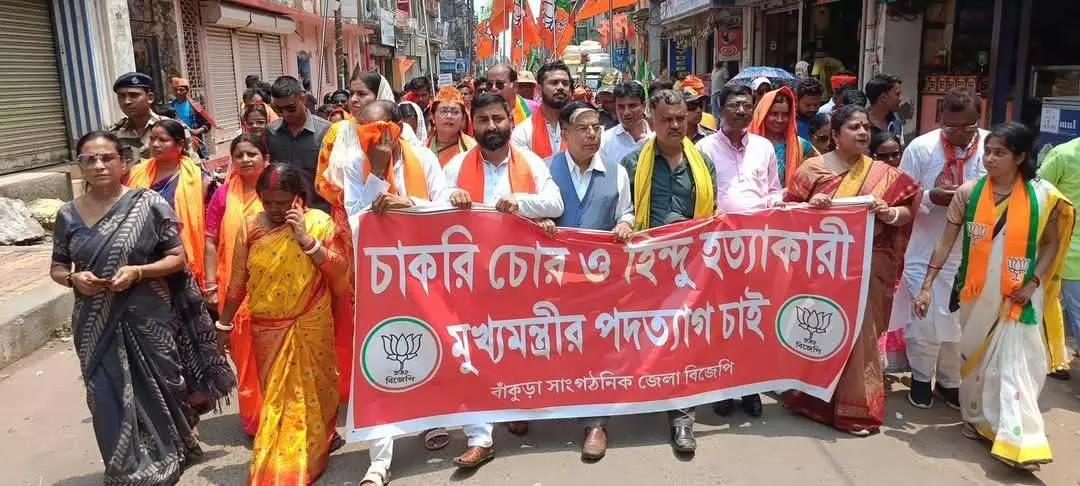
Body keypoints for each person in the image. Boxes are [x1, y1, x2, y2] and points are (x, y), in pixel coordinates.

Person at [50, 131, 233, 484]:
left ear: (123, 162)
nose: (99, 165)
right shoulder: (68, 215)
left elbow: (177, 258)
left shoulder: (148, 204)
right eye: (89, 159)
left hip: (149, 315)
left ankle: (174, 447)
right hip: (94, 321)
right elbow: (58, 267)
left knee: (163, 385)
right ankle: (125, 468)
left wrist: (139, 272)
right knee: (106, 395)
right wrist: (73, 279)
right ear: (80, 166)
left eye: (107, 158)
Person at [914, 122, 1073, 471]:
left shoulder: (1042, 195)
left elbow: (1051, 243)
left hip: (1019, 297)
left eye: (999, 152)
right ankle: (976, 420)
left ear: (1020, 157)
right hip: (975, 294)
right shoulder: (969, 193)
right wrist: (927, 285)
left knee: (1016, 366)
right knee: (976, 362)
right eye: (988, 151)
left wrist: (1033, 282)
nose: (989, 158)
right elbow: (946, 240)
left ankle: (1019, 439)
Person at [782, 105, 920, 436]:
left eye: (866, 128)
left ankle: (856, 409)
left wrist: (888, 213)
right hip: (824, 268)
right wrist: (810, 207)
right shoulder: (812, 169)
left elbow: (908, 210)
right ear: (835, 134)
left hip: (869, 267)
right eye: (854, 127)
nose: (862, 133)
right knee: (823, 327)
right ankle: (812, 399)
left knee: (862, 337)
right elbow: (787, 212)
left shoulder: (882, 174)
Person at [444, 92, 564, 467]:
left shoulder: (530, 162)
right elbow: (433, 206)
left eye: (498, 118)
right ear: (472, 124)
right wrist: (452, 197)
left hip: (518, 276)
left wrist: (520, 202)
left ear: (510, 121)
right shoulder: (455, 166)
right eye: (483, 120)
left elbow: (555, 203)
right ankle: (480, 438)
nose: (492, 126)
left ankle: (514, 405)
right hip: (471, 277)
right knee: (473, 352)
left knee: (515, 346)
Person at [340, 102, 455, 484]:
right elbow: (355, 219)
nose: (372, 136)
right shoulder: (354, 165)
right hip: (380, 279)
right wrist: (376, 173)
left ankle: (431, 419)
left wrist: (409, 205)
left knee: (431, 346)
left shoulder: (424, 158)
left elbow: (445, 207)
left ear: (396, 129)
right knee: (381, 357)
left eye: (379, 129)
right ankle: (380, 459)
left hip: (426, 273)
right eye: (364, 129)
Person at [217, 163, 349, 484]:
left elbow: (340, 270)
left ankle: (310, 451)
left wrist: (305, 239)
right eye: (268, 202)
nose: (275, 209)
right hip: (267, 329)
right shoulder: (251, 226)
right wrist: (223, 325)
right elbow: (238, 283)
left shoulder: (318, 223)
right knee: (279, 401)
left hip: (310, 321)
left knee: (314, 392)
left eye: (283, 202)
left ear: (298, 197)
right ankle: (288, 460)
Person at [620, 90, 716, 453]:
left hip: (689, 271)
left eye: (680, 118)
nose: (675, 125)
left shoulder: (702, 164)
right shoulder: (632, 164)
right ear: (651, 119)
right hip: (644, 270)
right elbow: (624, 212)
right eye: (667, 119)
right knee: (641, 339)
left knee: (682, 342)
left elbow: (711, 214)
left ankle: (682, 419)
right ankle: (637, 399)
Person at [545, 101, 635, 459]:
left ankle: (596, 423)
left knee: (598, 350)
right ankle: (532, 406)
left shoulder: (617, 172)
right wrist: (540, 224)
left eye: (597, 126)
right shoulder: (545, 169)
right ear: (565, 133)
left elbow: (625, 212)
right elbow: (529, 213)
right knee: (553, 346)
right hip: (553, 281)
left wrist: (625, 223)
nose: (592, 134)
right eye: (583, 128)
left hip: (600, 281)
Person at [893, 88, 989, 408]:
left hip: (974, 252)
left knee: (961, 323)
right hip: (926, 249)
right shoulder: (921, 148)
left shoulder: (991, 147)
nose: (959, 134)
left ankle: (950, 381)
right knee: (925, 322)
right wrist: (931, 197)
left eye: (968, 127)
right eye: (951, 127)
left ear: (979, 120)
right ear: (940, 120)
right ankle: (921, 378)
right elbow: (901, 195)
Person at [697, 84, 779, 417]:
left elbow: (772, 190)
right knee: (722, 319)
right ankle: (723, 388)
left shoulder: (764, 147)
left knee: (753, 318)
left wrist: (777, 206)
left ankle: (750, 387)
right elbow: (700, 197)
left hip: (757, 247)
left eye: (747, 105)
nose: (741, 111)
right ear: (720, 110)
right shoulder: (703, 148)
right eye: (734, 105)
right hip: (718, 251)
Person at [202, 131, 271, 436]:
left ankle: (283, 415)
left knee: (278, 354)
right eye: (239, 155)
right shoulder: (222, 195)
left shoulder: (279, 191)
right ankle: (255, 420)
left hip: (277, 288)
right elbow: (210, 240)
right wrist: (210, 285)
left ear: (266, 159)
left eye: (251, 154)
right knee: (244, 355)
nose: (245, 160)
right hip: (234, 289)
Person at [126, 119, 215, 290]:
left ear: (180, 144)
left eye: (163, 140)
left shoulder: (199, 180)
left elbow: (210, 228)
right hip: (143, 257)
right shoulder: (136, 173)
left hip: (182, 257)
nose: (155, 144)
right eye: (152, 139)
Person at [1038, 136, 1080, 368]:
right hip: (1063, 248)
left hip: (1068, 252)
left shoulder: (1063, 154)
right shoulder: (1064, 155)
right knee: (1050, 306)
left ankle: (1053, 359)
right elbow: (1039, 193)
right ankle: (1052, 359)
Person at [267, 75, 333, 213]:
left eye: (291, 108)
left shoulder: (327, 131)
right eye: (279, 110)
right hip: (283, 213)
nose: (285, 114)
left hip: (319, 212)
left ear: (303, 99)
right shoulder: (271, 132)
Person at [108, 72, 197, 163]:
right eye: (121, 96)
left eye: (134, 95)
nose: (127, 101)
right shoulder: (114, 134)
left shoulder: (173, 128)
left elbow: (194, 167)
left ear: (150, 98)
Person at [749, 86, 817, 187]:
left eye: (785, 114)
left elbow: (817, 176)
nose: (779, 119)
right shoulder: (746, 144)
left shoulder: (802, 147)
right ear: (763, 114)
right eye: (774, 114)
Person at [511, 61, 572, 159]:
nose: (561, 87)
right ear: (539, 89)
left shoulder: (582, 127)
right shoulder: (523, 132)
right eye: (554, 83)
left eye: (565, 83)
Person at [599, 81, 652, 166]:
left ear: (644, 106)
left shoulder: (657, 138)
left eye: (632, 106)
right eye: (621, 107)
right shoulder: (604, 141)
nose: (626, 112)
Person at [427, 85, 477, 166]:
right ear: (433, 116)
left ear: (463, 117)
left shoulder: (473, 148)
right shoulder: (421, 150)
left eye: (455, 112)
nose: (449, 116)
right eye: (444, 111)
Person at [167, 77, 215, 160]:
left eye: (181, 90)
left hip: (195, 144)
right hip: (177, 144)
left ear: (187, 90)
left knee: (198, 163)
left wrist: (196, 132)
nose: (178, 92)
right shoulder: (170, 107)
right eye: (176, 90)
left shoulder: (195, 106)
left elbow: (208, 124)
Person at [866, 73, 905, 144]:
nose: (900, 99)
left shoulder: (896, 122)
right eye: (897, 94)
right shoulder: (861, 123)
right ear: (883, 98)